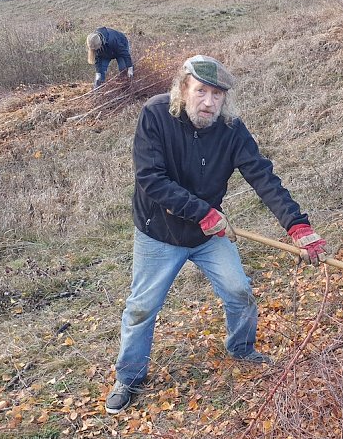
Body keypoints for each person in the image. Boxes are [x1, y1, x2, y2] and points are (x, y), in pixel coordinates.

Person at [105, 55, 327, 415]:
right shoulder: (155, 115)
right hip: (158, 233)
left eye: (217, 95)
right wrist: (203, 212)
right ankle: (128, 378)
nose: (209, 102)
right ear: (183, 89)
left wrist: (296, 225)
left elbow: (262, 176)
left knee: (239, 291)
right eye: (201, 91)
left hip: (208, 235)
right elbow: (151, 179)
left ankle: (241, 348)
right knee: (141, 308)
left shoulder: (230, 129)